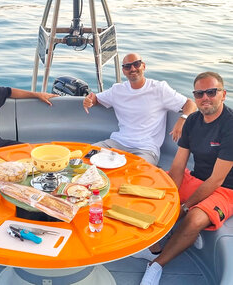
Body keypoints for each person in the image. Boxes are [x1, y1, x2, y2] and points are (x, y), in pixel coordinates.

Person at [138, 72, 233, 285]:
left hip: (227, 189)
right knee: (147, 185)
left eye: (211, 92)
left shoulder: (230, 126)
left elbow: (217, 181)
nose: (205, 97)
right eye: (199, 93)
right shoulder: (192, 121)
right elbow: (179, 166)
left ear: (223, 94)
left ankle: (156, 265)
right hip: (197, 179)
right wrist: (166, 195)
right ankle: (154, 248)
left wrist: (186, 206)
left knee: (194, 218)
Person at [83, 53, 197, 165]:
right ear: (123, 71)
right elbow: (96, 99)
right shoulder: (117, 90)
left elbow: (190, 104)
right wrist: (89, 100)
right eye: (127, 66)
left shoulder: (159, 89)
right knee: (84, 157)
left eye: (136, 64)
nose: (132, 69)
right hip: (116, 143)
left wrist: (183, 119)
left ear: (143, 66)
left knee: (135, 174)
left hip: (146, 149)